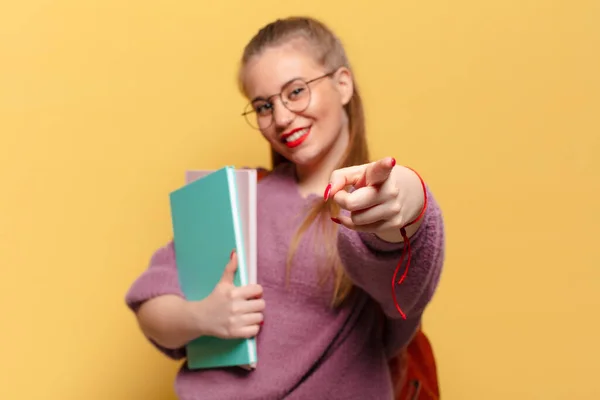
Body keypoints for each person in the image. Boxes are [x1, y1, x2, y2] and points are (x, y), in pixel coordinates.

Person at [125, 15, 445, 400]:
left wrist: (404, 200)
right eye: (262, 105)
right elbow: (151, 304)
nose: (280, 118)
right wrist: (201, 316)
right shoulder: (235, 195)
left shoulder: (365, 207)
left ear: (343, 84)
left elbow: (399, 256)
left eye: (295, 92)